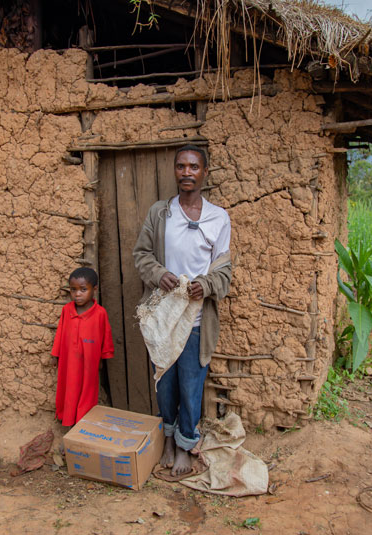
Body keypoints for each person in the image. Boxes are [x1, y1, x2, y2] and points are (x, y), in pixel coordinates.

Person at [133, 145, 232, 476]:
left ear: (204, 172)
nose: (186, 172)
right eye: (180, 166)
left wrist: (205, 286)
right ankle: (171, 440)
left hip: (196, 319)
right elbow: (141, 254)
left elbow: (224, 270)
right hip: (164, 317)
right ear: (174, 171)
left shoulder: (218, 218)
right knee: (166, 386)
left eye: (193, 166)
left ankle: (187, 446)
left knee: (191, 385)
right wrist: (159, 274)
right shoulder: (160, 213)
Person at [51, 267, 114, 427]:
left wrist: (104, 357)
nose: (77, 294)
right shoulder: (67, 310)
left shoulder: (100, 313)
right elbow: (60, 333)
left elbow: (105, 336)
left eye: (83, 289)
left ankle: (83, 424)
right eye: (73, 290)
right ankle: (67, 421)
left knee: (87, 392)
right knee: (69, 390)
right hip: (68, 362)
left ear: (94, 289)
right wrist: (56, 354)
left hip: (89, 363)